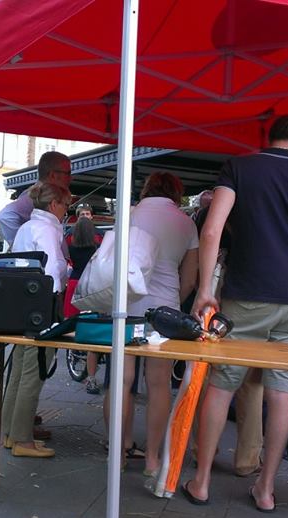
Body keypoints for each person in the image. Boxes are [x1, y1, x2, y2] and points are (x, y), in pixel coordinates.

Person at [187, 114, 288, 512]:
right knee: (281, 390)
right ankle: (266, 488)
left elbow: (211, 231)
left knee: (223, 383)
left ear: (267, 137)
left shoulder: (239, 167)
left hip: (245, 296)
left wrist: (205, 290)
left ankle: (200, 482)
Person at [104, 171, 198, 477]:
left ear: (147, 189)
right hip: (164, 312)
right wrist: (172, 302)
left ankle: (118, 452)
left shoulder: (128, 215)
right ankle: (154, 459)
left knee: (122, 381)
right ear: (176, 193)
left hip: (125, 306)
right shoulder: (186, 223)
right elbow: (190, 279)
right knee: (158, 386)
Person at [1, 182, 70, 458]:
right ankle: (22, 440)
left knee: (19, 371)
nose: (67, 211)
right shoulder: (49, 229)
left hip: (21, 306)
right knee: (34, 372)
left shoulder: (26, 227)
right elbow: (52, 272)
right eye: (66, 205)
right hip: (43, 308)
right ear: (54, 204)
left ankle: (10, 432)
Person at [0, 151, 72, 245]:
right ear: (53, 175)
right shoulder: (38, 195)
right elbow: (4, 216)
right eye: (68, 173)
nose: (71, 178)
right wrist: (24, 245)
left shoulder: (43, 194)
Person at [64, 216, 104, 394]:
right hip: (93, 282)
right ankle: (92, 374)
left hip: (75, 282)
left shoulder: (69, 238)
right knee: (95, 325)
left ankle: (76, 354)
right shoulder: (99, 239)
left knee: (75, 322)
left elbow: (65, 259)